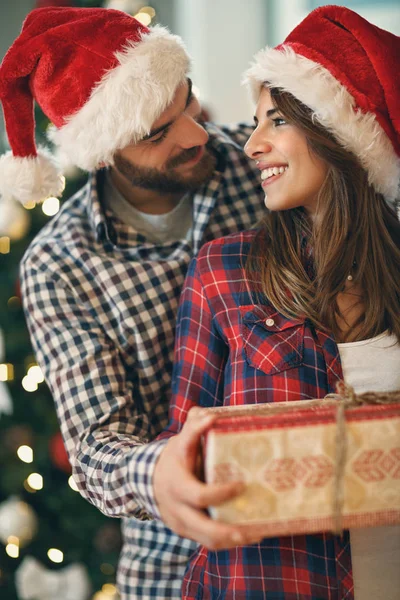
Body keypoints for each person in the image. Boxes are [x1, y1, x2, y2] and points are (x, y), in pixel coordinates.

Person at [0, 6, 265, 599]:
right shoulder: (59, 266)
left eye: (187, 101)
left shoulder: (262, 164)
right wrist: (161, 472)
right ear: (103, 151)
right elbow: (96, 447)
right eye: (155, 132)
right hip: (175, 561)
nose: (197, 133)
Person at [154, 5, 400, 599]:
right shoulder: (224, 273)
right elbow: (184, 456)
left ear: (341, 130)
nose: (252, 144)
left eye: (278, 120)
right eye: (254, 121)